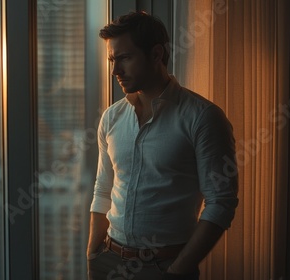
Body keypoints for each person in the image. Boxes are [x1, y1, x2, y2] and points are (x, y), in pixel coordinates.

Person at [87, 11, 239, 280]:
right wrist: (93, 254)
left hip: (163, 267)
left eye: (124, 58)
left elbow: (220, 202)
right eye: (112, 59)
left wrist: (178, 270)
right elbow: (103, 187)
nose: (114, 71)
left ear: (156, 54)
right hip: (107, 260)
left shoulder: (203, 117)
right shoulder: (112, 117)